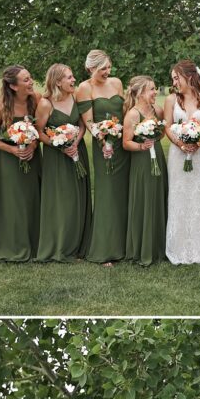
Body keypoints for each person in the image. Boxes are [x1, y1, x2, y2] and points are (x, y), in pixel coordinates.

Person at [0, 65, 41, 262]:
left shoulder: (36, 100)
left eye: (30, 78)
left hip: (32, 158)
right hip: (8, 161)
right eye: (26, 80)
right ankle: (11, 245)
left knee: (33, 199)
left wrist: (32, 144)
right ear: (13, 86)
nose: (31, 82)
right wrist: (13, 150)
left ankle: (35, 245)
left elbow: (41, 128)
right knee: (13, 204)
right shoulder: (0, 107)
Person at [163, 60, 200, 265]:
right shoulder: (171, 100)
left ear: (188, 76)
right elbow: (168, 127)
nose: (174, 82)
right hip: (177, 155)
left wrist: (199, 141)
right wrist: (180, 143)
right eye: (172, 79)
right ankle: (178, 247)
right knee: (179, 196)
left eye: (176, 78)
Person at [35, 62, 91, 262]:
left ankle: (80, 245)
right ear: (57, 81)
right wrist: (59, 145)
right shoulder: (45, 104)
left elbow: (82, 125)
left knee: (79, 197)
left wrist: (74, 142)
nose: (74, 80)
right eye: (69, 77)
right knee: (62, 200)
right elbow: (39, 132)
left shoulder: (76, 97)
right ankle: (60, 245)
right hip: (56, 157)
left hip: (78, 152)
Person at [76, 49, 127, 265]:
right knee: (107, 194)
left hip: (123, 145)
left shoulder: (116, 83)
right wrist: (104, 141)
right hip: (104, 148)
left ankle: (126, 245)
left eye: (108, 67)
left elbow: (124, 112)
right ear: (90, 69)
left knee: (124, 192)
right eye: (102, 69)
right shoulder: (84, 88)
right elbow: (88, 122)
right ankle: (106, 248)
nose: (107, 71)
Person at [122, 75, 168, 266]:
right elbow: (126, 142)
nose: (155, 92)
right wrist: (141, 146)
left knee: (158, 197)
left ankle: (159, 246)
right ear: (140, 92)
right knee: (144, 200)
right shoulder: (133, 114)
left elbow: (163, 132)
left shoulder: (157, 110)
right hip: (141, 162)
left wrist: (155, 137)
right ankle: (142, 248)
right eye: (151, 89)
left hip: (157, 156)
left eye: (155, 88)